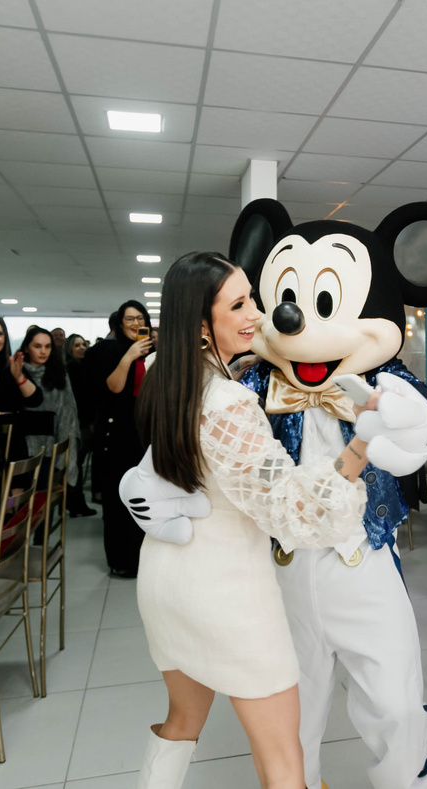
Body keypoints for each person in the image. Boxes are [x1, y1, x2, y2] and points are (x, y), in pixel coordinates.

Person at [130, 251, 370, 789]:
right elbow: (291, 511)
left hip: (168, 578)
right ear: (200, 324)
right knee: (282, 761)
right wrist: (362, 444)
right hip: (225, 589)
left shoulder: (170, 382)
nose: (257, 315)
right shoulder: (227, 401)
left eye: (252, 300)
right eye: (238, 305)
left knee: (181, 722)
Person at [84, 300, 152, 578]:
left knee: (146, 496)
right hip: (118, 433)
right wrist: (129, 356)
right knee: (118, 498)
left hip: (146, 432)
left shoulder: (154, 350)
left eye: (140, 318)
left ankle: (145, 558)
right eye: (130, 319)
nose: (136, 324)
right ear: (120, 323)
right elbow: (114, 387)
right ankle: (121, 559)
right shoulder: (110, 351)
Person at [17, 327, 91, 517]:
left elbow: (67, 411)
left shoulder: (59, 373)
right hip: (21, 447)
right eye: (37, 346)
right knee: (21, 505)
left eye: (47, 346)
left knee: (44, 501)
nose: (43, 351)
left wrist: (65, 450)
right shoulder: (17, 372)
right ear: (26, 348)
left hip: (51, 446)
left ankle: (42, 536)